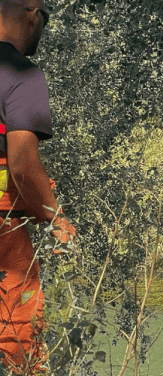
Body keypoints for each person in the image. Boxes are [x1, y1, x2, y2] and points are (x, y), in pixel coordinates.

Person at [0, 0, 77, 373]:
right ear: (32, 14)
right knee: (18, 338)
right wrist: (56, 218)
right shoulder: (20, 73)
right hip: (4, 231)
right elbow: (21, 164)